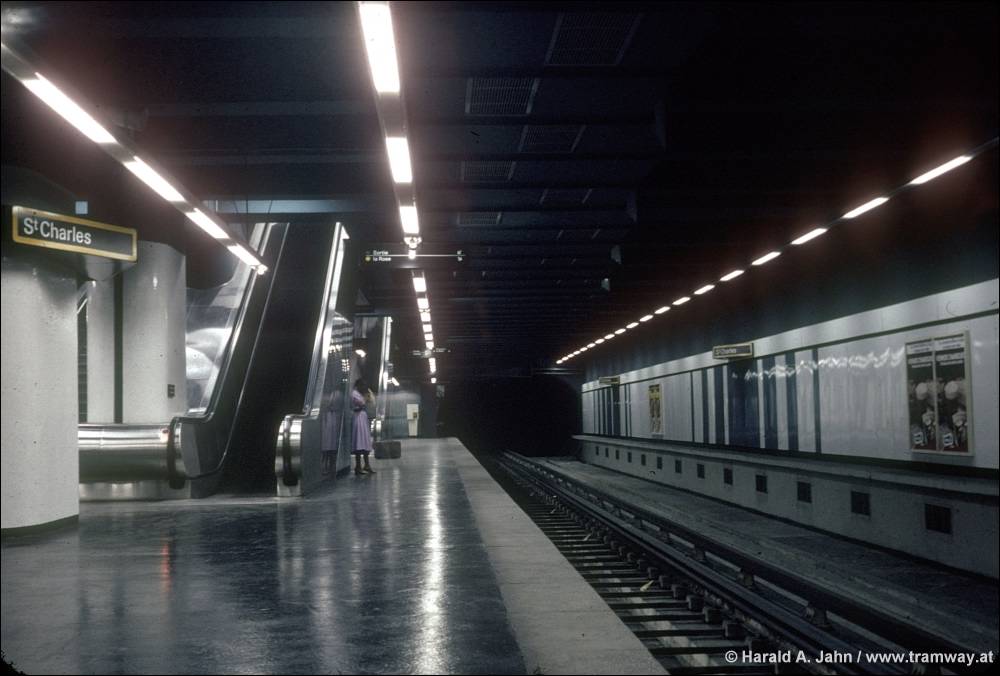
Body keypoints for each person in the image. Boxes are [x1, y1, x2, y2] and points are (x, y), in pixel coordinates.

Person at [351, 378, 376, 475]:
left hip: (363, 416)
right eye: (362, 386)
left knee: (365, 441)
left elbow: (370, 401)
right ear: (358, 385)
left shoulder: (359, 394)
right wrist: (365, 398)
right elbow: (361, 403)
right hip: (358, 417)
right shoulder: (354, 393)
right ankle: (358, 466)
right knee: (359, 441)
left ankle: (366, 465)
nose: (363, 388)